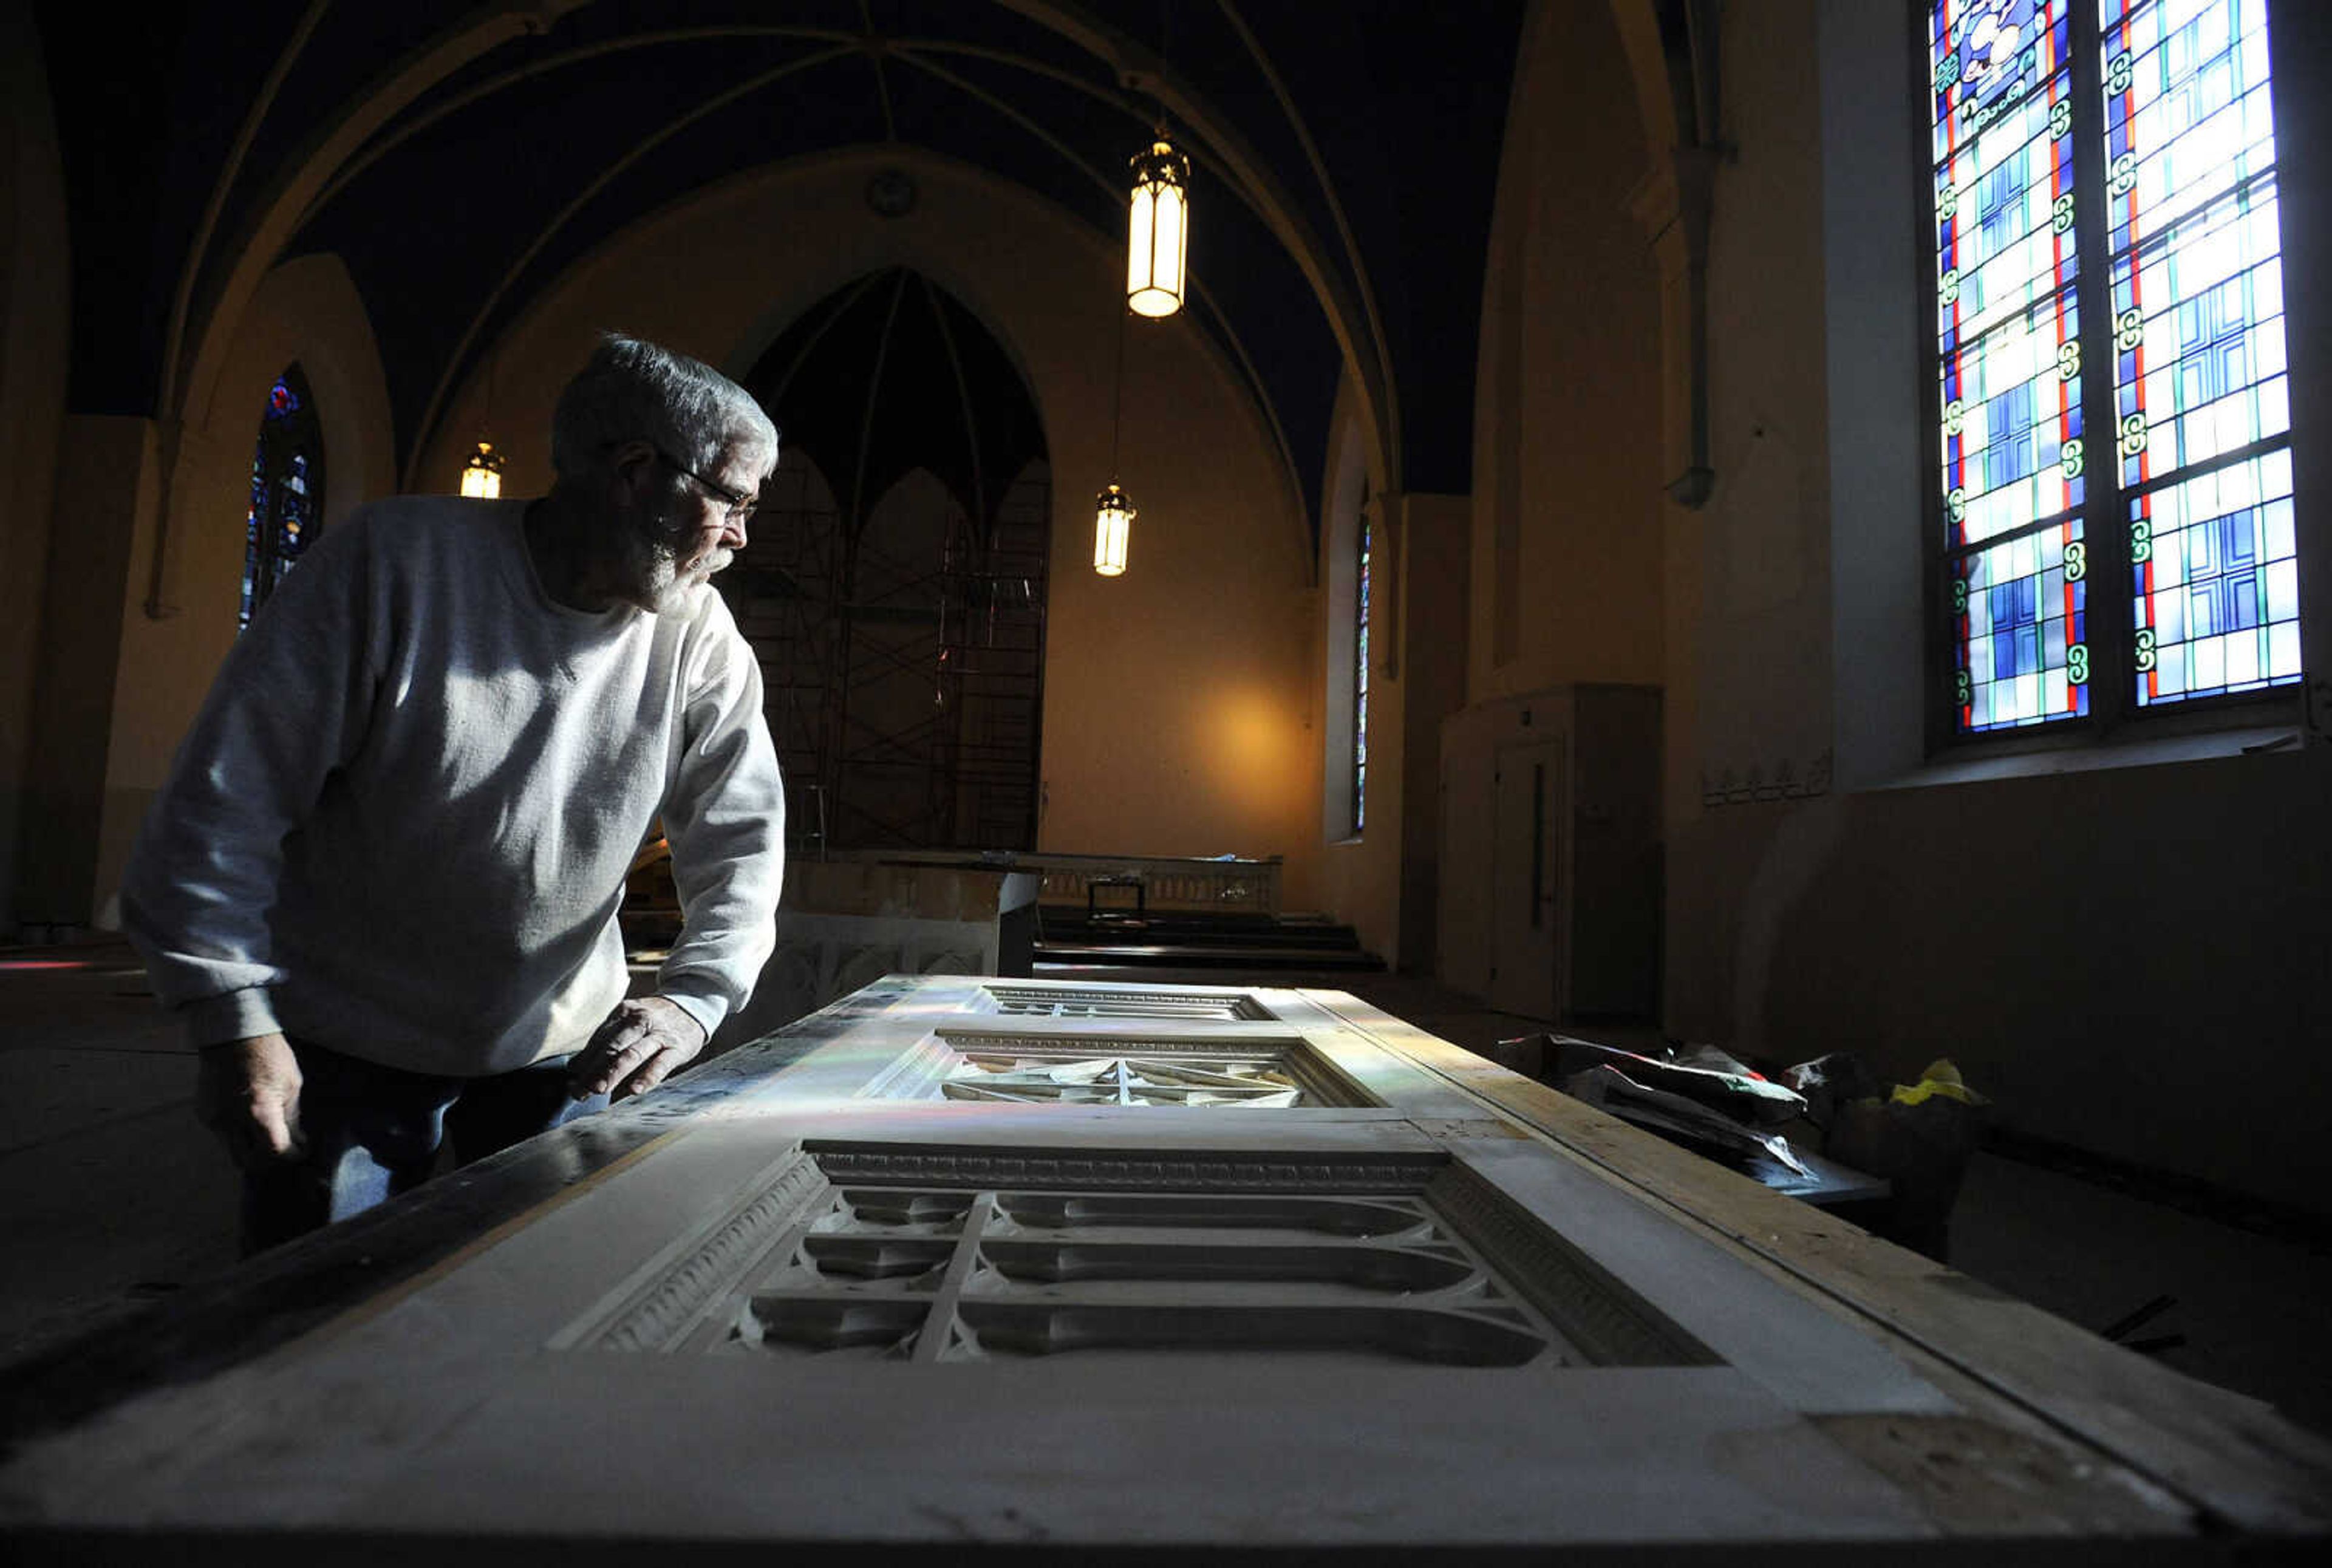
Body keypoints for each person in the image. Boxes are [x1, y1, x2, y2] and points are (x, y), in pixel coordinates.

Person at [121, 333, 786, 1252]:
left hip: (561, 1056)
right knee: (312, 1326)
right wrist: (231, 1017)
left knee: (527, 1330)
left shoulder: (698, 634)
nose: (744, 537)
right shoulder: (394, 565)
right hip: (345, 1051)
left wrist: (694, 998)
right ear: (637, 471)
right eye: (735, 502)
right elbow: (223, 803)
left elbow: (745, 838)